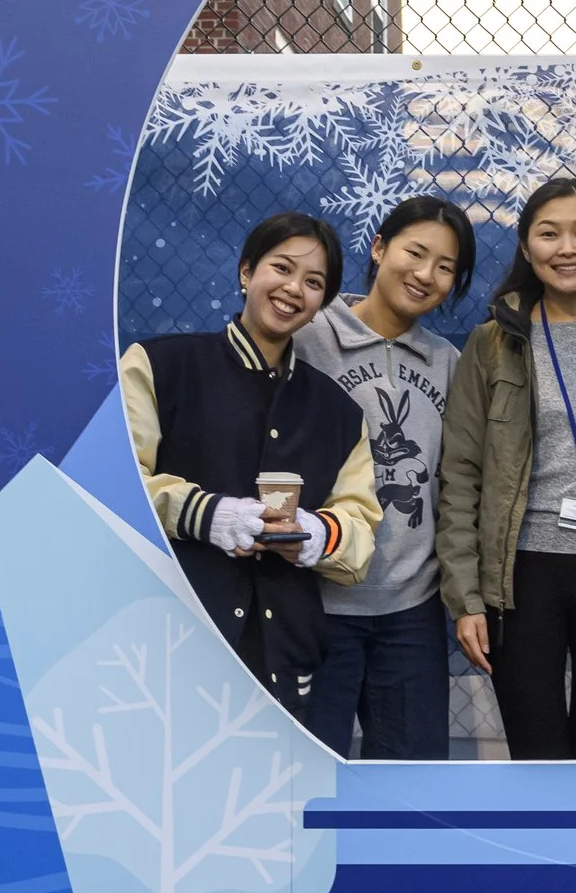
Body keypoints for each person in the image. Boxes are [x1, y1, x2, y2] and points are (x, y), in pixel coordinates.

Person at [120, 212, 381, 724]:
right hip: (171, 639)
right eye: (280, 268)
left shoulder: (339, 412)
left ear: (322, 305)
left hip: (286, 655)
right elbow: (117, 485)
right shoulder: (158, 366)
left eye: (313, 283)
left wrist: (314, 534)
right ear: (246, 272)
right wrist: (207, 514)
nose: (292, 289)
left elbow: (361, 529)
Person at [437, 176, 576, 760]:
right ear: (526, 245)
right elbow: (459, 476)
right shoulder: (490, 345)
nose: (567, 248)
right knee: (535, 756)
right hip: (520, 577)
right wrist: (467, 600)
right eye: (549, 233)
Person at [293, 197, 475, 760]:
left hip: (409, 613)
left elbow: (457, 481)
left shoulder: (447, 361)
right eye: (414, 253)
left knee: (411, 785)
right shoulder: (309, 338)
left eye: (444, 266)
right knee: (303, 775)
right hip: (316, 604)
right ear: (378, 249)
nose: (425, 275)